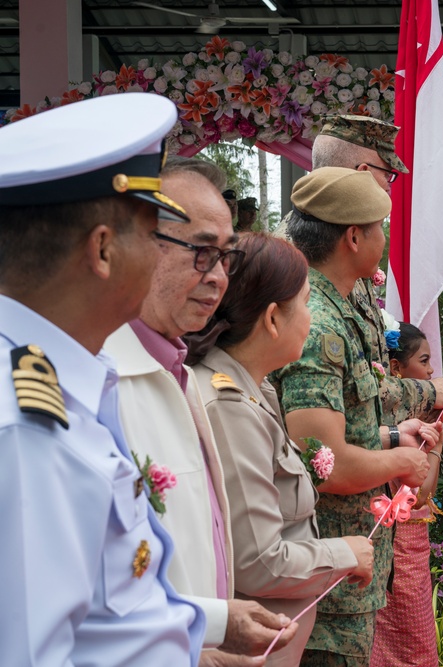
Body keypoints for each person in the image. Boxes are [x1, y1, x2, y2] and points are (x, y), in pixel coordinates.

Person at [0, 93, 205, 664]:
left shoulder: (61, 384)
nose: (165, 256)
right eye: (154, 234)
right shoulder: (24, 429)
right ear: (103, 249)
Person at [104, 157, 297, 665]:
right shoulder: (99, 383)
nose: (217, 279)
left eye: (225, 258)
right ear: (135, 247)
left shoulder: (178, 370)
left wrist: (213, 625)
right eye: (201, 253)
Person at [275, 167, 443, 667]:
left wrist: (392, 436)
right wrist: (403, 464)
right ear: (353, 236)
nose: (386, 238)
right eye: (381, 226)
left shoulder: (341, 307)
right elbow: (323, 465)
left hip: (347, 574)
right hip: (326, 586)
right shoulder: (320, 324)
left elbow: (351, 424)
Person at [187, 232, 378, 666]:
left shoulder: (255, 390)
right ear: (273, 319)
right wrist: (345, 552)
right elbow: (259, 561)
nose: (311, 319)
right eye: (307, 303)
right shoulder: (230, 406)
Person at [307, 113, 443, 427]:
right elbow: (347, 394)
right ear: (365, 173)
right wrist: (429, 392)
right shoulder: (304, 263)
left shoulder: (342, 252)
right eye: (389, 176)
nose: (389, 186)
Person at [371, 321, 443, 667]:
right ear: (397, 368)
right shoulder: (383, 421)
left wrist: (436, 448)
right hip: (390, 546)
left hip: (411, 545)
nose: (431, 371)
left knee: (417, 647)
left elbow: (423, 493)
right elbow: (416, 491)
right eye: (425, 361)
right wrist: (430, 448)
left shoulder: (420, 417)